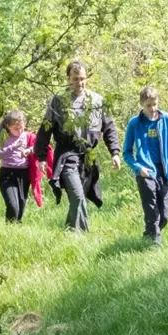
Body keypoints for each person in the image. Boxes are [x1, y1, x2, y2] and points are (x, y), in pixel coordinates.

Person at [33, 59, 121, 231]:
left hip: (88, 158)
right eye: (75, 79)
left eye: (82, 78)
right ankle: (81, 237)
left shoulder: (97, 100)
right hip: (67, 155)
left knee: (79, 198)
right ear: (68, 79)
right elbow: (45, 129)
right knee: (78, 196)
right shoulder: (58, 101)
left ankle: (69, 232)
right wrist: (41, 157)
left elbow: (109, 128)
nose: (79, 83)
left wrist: (115, 152)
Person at [122, 85, 168, 245]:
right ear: (141, 104)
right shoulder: (135, 124)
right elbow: (126, 153)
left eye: (155, 104)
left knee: (165, 213)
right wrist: (138, 168)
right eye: (148, 105)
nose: (153, 108)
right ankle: (154, 244)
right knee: (151, 210)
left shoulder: (166, 119)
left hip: (165, 170)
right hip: (145, 171)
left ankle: (149, 233)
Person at [0, 110, 33, 223]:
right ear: (8, 126)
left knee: (21, 204)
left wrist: (29, 150)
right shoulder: (2, 136)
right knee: (13, 205)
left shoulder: (26, 136)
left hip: (23, 173)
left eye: (21, 128)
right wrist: (13, 147)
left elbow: (39, 147)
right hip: (7, 173)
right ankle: (9, 227)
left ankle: (16, 229)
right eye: (16, 129)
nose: (19, 131)